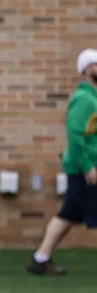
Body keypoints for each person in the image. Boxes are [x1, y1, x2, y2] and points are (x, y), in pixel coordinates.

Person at [28, 48, 97, 275]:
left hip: (83, 167)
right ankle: (40, 259)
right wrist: (88, 167)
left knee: (68, 215)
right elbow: (75, 135)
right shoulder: (85, 99)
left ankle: (40, 259)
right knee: (68, 214)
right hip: (86, 169)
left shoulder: (92, 98)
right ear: (87, 69)